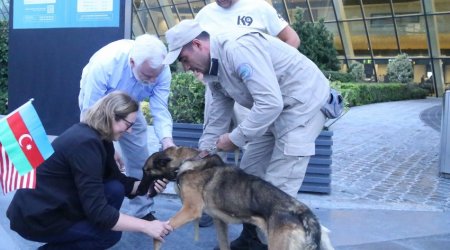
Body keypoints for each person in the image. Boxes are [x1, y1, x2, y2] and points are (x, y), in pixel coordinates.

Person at [162, 19, 330, 250]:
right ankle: (255, 239)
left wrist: (234, 139)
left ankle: (300, 239)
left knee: (277, 191)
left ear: (198, 45)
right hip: (272, 111)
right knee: (246, 178)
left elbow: (270, 103)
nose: (186, 68)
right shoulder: (212, 69)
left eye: (183, 59)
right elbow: (218, 114)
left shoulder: (237, 49)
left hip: (302, 106)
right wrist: (205, 151)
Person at [7, 91, 173, 249]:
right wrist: (147, 226)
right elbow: (99, 211)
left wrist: (147, 186)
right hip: (37, 217)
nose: (130, 131)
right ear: (111, 116)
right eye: (128, 125)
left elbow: (117, 180)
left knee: (114, 188)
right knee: (108, 235)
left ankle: (86, 236)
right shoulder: (84, 144)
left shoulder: (100, 137)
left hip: (59, 203)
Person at [194, 0, 301, 228]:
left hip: (253, 89)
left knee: (249, 146)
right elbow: (193, 50)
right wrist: (200, 72)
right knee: (213, 142)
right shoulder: (204, 15)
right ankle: (209, 202)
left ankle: (249, 215)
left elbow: (292, 39)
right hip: (218, 88)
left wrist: (266, 74)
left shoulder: (259, 8)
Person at [78, 34, 176, 221]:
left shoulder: (161, 69)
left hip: (132, 106)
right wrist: (108, 146)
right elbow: (89, 113)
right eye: (148, 75)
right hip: (99, 106)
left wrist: (167, 141)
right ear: (132, 62)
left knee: (140, 156)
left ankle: (142, 210)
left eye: (157, 75)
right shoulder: (104, 64)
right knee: (96, 156)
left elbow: (160, 108)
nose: (154, 80)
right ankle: (94, 206)